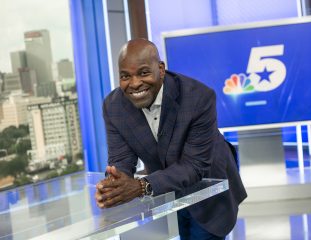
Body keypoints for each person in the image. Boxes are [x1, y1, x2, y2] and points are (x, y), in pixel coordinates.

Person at [95, 38, 247, 240]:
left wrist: (141, 186)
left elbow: (195, 165)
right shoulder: (113, 106)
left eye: (143, 73)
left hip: (208, 189)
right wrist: (114, 186)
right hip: (164, 193)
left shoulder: (198, 97)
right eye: (125, 76)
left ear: (161, 69)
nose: (134, 83)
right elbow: (121, 159)